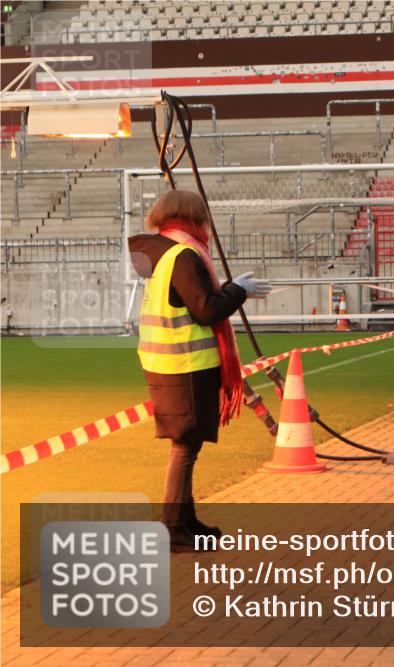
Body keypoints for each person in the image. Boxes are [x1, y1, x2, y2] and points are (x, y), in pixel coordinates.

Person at [129, 190, 271, 550]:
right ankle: (174, 528)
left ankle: (185, 522)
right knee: (185, 447)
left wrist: (230, 289)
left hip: (166, 362)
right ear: (193, 217)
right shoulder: (184, 254)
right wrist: (237, 290)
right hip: (185, 364)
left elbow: (191, 302)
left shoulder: (162, 253)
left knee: (186, 445)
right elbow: (206, 311)